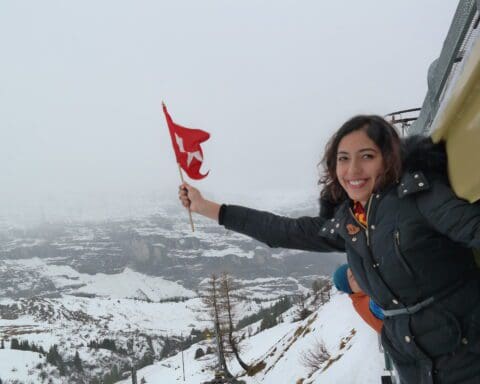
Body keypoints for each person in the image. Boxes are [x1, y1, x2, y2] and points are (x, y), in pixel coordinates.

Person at [179, 115, 480, 384]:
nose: (353, 170)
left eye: (367, 156)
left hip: (467, 352)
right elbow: (283, 231)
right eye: (343, 159)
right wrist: (207, 208)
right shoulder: (349, 222)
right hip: (413, 361)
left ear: (389, 158)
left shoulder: (420, 197)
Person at [333, 263, 383, 333]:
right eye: (353, 277)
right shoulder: (365, 303)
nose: (359, 276)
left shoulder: (365, 293)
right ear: (349, 288)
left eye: (356, 271)